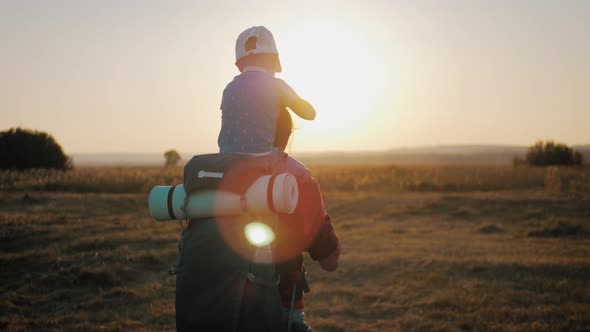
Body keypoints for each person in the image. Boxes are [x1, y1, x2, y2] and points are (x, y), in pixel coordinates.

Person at [175, 109, 340, 332]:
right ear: (287, 134)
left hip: (204, 302)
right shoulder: (297, 176)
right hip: (275, 304)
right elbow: (329, 262)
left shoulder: (209, 173)